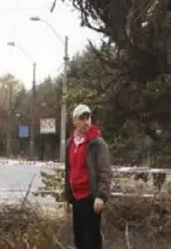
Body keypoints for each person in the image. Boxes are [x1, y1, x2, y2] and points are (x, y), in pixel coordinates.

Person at [63, 103, 112, 248]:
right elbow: (69, 171)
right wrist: (67, 197)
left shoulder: (97, 143)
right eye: (82, 118)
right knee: (79, 239)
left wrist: (101, 196)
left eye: (88, 117)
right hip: (76, 197)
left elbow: (105, 171)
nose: (86, 122)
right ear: (74, 121)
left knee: (92, 239)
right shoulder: (70, 143)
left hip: (91, 197)